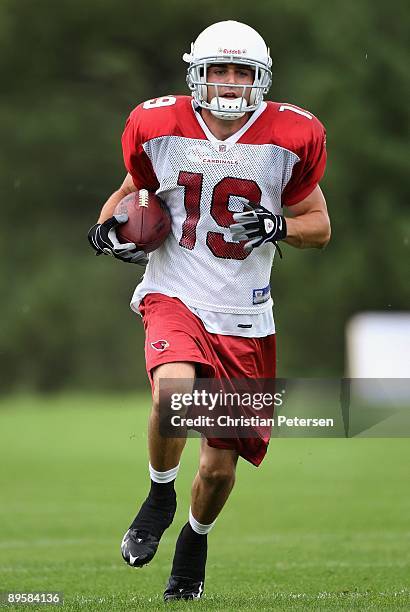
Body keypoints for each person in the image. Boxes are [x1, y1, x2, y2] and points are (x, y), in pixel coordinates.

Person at [88, 20, 331, 601]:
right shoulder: (159, 125)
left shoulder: (291, 135)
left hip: (244, 314)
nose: (228, 82)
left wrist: (276, 227)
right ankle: (159, 492)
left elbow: (319, 228)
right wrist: (105, 231)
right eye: (217, 69)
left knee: (220, 468)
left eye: (240, 71)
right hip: (174, 292)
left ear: (260, 79)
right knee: (174, 391)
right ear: (197, 73)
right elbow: (130, 193)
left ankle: (194, 539)